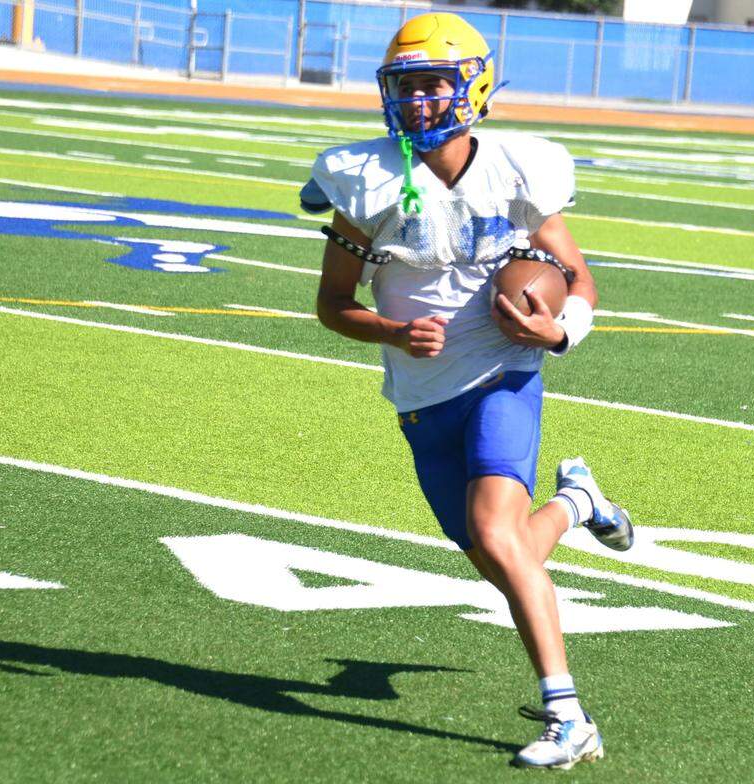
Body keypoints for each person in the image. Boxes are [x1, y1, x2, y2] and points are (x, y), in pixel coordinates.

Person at [302, 12, 633, 770]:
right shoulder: (364, 179)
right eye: (404, 87)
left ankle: (569, 716)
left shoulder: (520, 169)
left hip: (502, 374)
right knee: (500, 552)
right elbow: (330, 304)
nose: (417, 103)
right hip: (421, 391)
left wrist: (560, 334)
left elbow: (576, 275)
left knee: (494, 537)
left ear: (473, 85)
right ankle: (577, 504)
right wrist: (389, 333)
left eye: (432, 85)